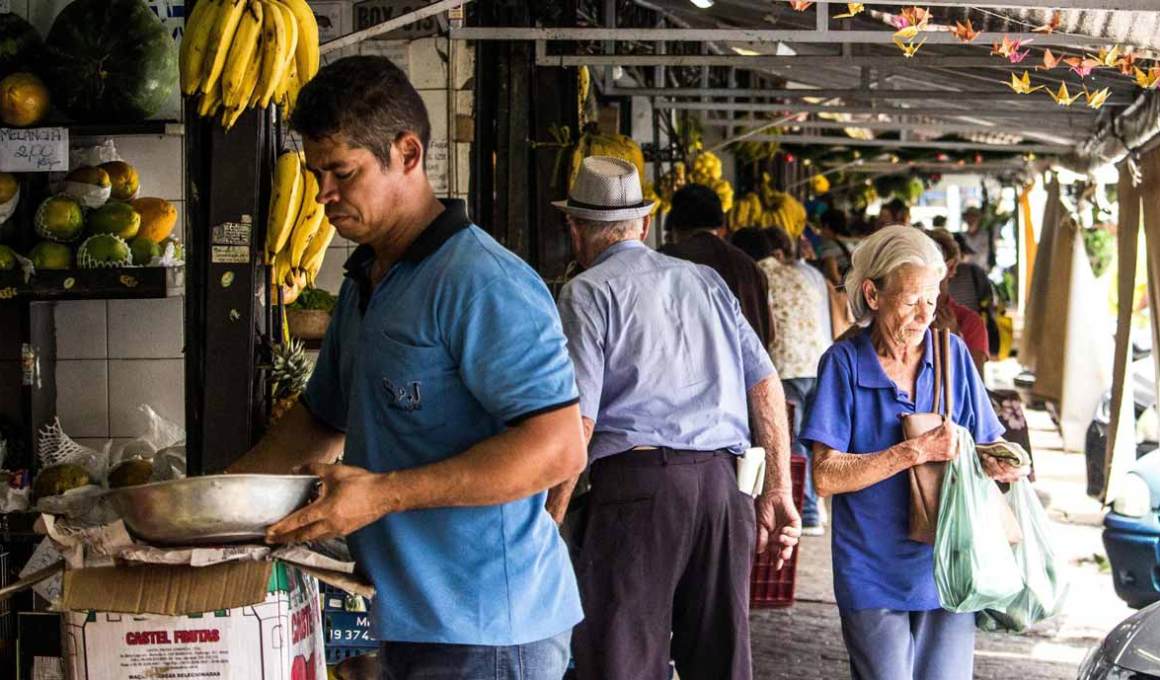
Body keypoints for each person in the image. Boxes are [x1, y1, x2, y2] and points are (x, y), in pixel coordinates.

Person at [229, 56, 586, 680]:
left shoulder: (482, 282)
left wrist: (384, 495)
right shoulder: (368, 276)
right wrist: (215, 504)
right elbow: (319, 419)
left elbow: (557, 449)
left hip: (491, 632)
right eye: (316, 175)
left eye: (342, 172)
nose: (323, 195)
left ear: (408, 153)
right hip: (405, 618)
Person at [549, 157, 800, 680]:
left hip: (639, 493)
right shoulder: (705, 281)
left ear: (575, 228)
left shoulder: (586, 292)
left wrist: (549, 520)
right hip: (725, 492)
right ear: (644, 224)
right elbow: (765, 384)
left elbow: (581, 423)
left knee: (622, 662)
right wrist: (777, 487)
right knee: (720, 662)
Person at [799, 225, 1029, 680]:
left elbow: (984, 443)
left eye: (932, 297)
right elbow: (825, 476)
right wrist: (913, 451)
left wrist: (999, 461)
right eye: (910, 300)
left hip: (948, 561)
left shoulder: (952, 355)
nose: (924, 314)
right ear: (872, 293)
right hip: (870, 568)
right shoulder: (843, 364)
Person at [734, 226, 830, 535]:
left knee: (788, 444)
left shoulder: (755, 275)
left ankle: (809, 512)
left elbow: (768, 330)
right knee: (813, 440)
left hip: (785, 367)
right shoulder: (802, 272)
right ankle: (816, 509)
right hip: (818, 362)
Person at [661, 183, 773, 348]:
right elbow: (769, 332)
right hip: (748, 370)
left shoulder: (665, 260)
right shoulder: (749, 266)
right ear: (721, 224)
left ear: (673, 224)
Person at [927, 229, 989, 373]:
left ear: (951, 267)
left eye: (935, 266)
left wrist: (954, 339)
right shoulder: (904, 316)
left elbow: (976, 385)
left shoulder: (969, 322)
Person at [815, 208, 853, 287]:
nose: (820, 231)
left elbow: (834, 277)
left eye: (820, 226)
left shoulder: (829, 246)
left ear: (827, 226)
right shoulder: (849, 243)